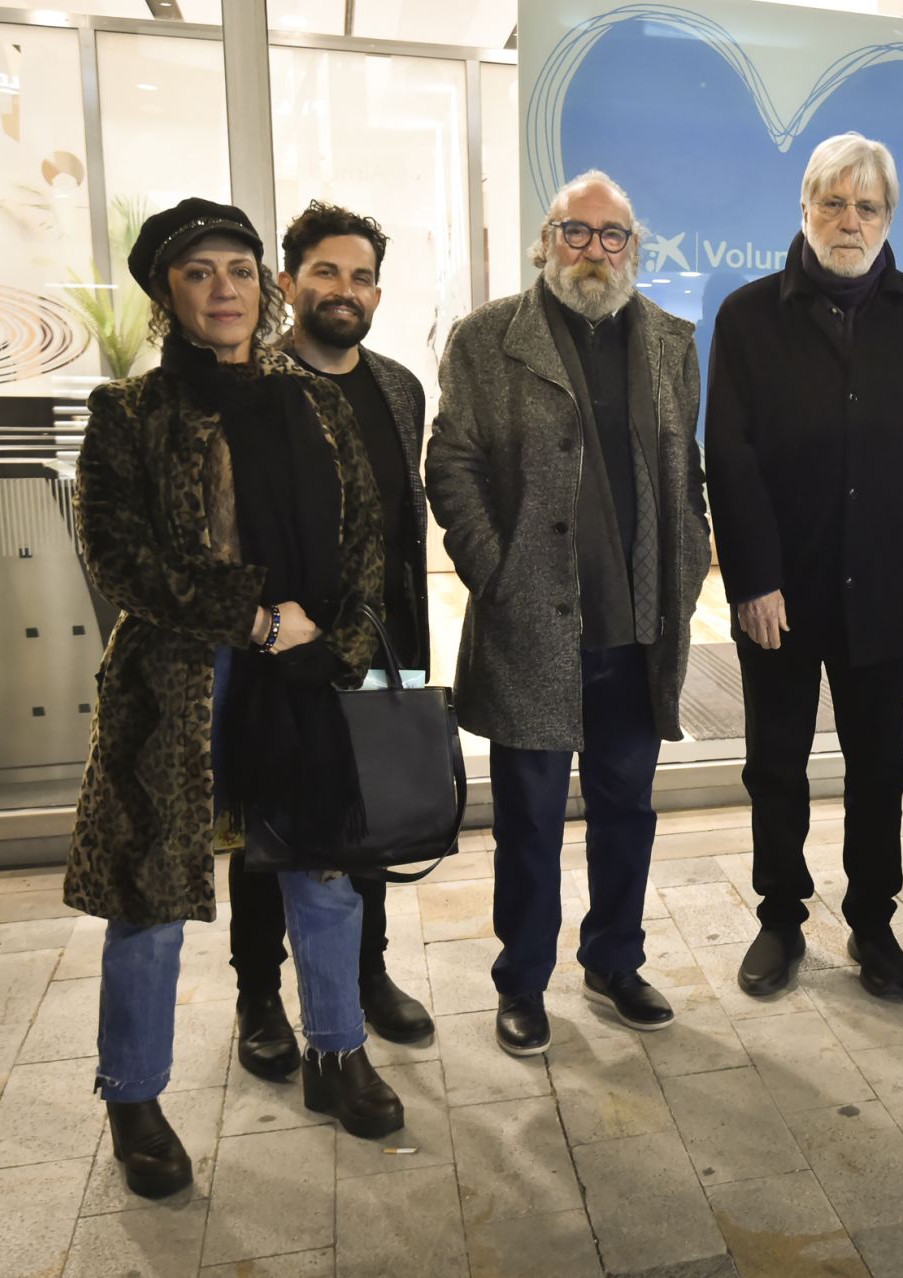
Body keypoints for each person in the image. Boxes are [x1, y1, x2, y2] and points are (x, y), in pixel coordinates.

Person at [66, 197, 403, 1199]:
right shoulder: (128, 413)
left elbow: (365, 542)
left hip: (301, 674)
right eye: (200, 271)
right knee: (154, 899)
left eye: (241, 269)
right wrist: (253, 616)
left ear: (269, 287)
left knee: (323, 870)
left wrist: (334, 643)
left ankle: (336, 1051)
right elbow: (119, 557)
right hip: (182, 679)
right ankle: (134, 1094)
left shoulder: (315, 402)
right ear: (167, 295)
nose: (226, 288)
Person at [424, 170, 710, 1056]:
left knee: (628, 809)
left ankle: (615, 962)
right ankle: (523, 981)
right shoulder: (486, 340)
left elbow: (684, 474)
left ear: (636, 247)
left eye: (612, 235)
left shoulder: (669, 341)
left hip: (637, 629)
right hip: (533, 625)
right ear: (545, 241)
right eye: (575, 233)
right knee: (530, 821)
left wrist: (690, 567)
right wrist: (494, 570)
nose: (594, 250)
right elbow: (452, 463)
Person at [705, 133, 903, 1002]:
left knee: (877, 765)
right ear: (804, 208)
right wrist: (752, 578)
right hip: (780, 590)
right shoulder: (746, 317)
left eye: (867, 207)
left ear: (888, 218)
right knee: (775, 762)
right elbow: (727, 455)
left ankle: (875, 920)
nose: (848, 221)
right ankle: (780, 918)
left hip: (882, 587)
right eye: (833, 203)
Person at [226, 201, 433, 1081]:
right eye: (324, 272)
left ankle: (367, 971)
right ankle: (259, 995)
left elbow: (400, 525)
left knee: (371, 818)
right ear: (288, 283)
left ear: (378, 293)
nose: (343, 291)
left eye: (359, 276)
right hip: (282, 649)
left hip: (385, 640)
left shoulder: (399, 388)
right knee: (269, 828)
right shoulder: (251, 389)